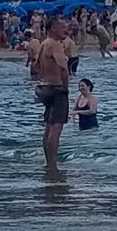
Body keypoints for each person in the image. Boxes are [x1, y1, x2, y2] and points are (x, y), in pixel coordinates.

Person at [31, 16, 71, 164]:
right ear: (53, 28)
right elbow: (63, 67)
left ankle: (48, 161)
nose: (65, 30)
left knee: (48, 126)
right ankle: (52, 163)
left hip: (46, 87)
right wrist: (65, 86)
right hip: (57, 88)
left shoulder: (43, 44)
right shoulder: (55, 44)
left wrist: (45, 77)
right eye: (62, 27)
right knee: (56, 128)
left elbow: (35, 66)